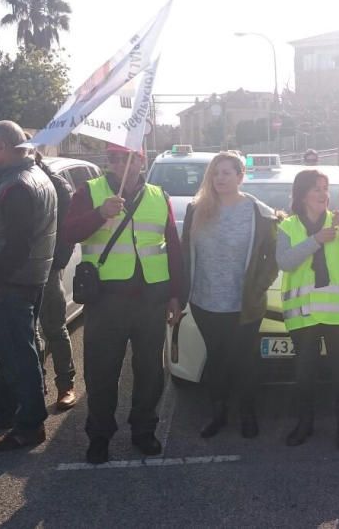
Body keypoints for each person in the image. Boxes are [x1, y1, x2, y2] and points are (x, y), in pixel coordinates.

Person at [63, 147, 184, 465]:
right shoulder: (89, 191)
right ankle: (100, 436)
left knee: (150, 373)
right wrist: (99, 213)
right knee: (102, 373)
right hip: (106, 299)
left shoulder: (160, 195)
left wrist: (176, 294)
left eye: (127, 159)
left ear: (141, 161)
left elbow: (172, 246)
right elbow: (68, 233)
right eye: (114, 159)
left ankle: (144, 430)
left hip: (150, 300)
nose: (120, 165)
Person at [0, 120, 57, 452]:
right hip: (26, 278)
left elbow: (19, 245)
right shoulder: (29, 177)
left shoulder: (17, 184)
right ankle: (2, 408)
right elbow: (17, 230)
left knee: (19, 353)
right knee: (13, 347)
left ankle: (30, 424)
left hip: (12, 282)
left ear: (2, 147)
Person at [181, 152, 278, 439]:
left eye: (227, 172)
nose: (220, 178)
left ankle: (247, 413)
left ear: (240, 176)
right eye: (215, 172)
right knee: (217, 358)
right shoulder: (196, 209)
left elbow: (272, 257)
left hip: (243, 304)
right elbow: (185, 250)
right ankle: (218, 413)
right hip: (205, 301)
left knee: (244, 360)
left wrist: (258, 287)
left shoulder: (259, 212)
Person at [276, 169, 339, 451]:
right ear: (302, 195)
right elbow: (285, 262)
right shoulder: (287, 226)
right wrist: (315, 241)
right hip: (304, 315)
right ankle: (304, 424)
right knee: (304, 373)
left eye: (325, 188)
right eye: (316, 189)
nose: (324, 193)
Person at [30, 149, 78, 411]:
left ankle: (66, 384)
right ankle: (36, 385)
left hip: (47, 270)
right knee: (30, 332)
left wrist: (55, 264)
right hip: (18, 271)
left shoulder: (57, 186)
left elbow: (67, 233)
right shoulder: (8, 182)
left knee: (54, 328)